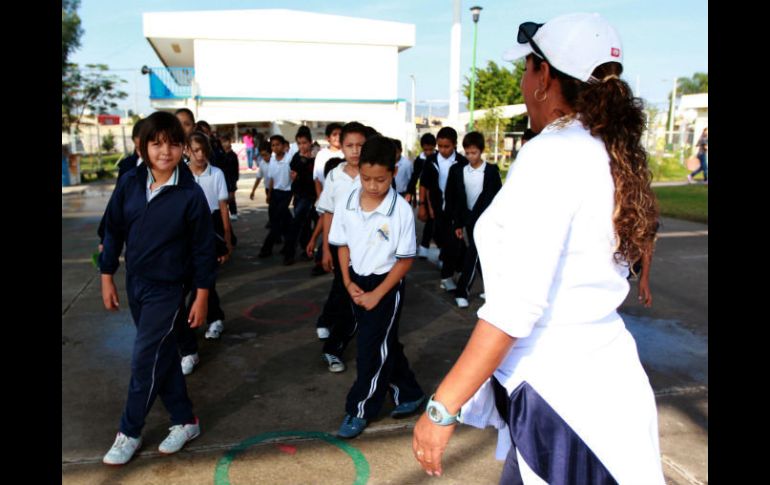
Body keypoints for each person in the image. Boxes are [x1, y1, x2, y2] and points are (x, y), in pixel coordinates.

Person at [412, 13, 664, 484]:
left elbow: (515, 307)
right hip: (600, 383)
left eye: (526, 70)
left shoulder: (553, 155)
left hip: (563, 403)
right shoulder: (606, 148)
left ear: (544, 76)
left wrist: (442, 408)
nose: (524, 83)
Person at [99, 111, 215, 465]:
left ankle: (129, 431)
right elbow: (112, 230)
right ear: (144, 146)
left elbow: (203, 250)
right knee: (162, 357)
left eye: (173, 143)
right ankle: (185, 420)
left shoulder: (190, 195)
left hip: (168, 290)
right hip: (136, 284)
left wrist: (202, 295)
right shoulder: (130, 183)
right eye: (156, 143)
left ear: (183, 148)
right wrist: (107, 277)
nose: (165, 151)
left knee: (144, 359)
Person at [328, 136, 425, 439]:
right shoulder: (348, 201)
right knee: (384, 344)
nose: (372, 185)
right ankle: (409, 393)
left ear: (394, 173)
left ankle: (359, 409)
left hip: (386, 286)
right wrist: (347, 282)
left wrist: (377, 294)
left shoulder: (401, 211)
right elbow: (341, 245)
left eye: (380, 180)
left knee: (370, 350)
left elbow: (405, 261)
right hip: (356, 281)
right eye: (366, 178)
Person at [175, 131, 232, 376]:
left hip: (211, 229)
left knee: (205, 279)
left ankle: (212, 320)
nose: (200, 155)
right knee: (194, 284)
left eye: (203, 151)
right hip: (185, 233)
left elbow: (222, 208)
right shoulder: (179, 173)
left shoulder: (216, 173)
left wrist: (227, 240)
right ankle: (213, 318)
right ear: (187, 149)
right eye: (195, 150)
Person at [315, 122, 366, 362]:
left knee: (348, 291)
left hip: (368, 248)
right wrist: (325, 249)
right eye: (350, 145)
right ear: (341, 148)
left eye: (360, 145)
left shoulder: (374, 174)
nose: (355, 150)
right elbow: (328, 213)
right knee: (345, 289)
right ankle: (333, 342)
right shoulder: (335, 176)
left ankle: (330, 326)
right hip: (340, 246)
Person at [447, 131, 502, 308]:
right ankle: (494, 290)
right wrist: (458, 223)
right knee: (480, 254)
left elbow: (499, 197)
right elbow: (455, 198)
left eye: (474, 152)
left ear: (481, 151)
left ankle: (462, 291)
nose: (471, 156)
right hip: (467, 218)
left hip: (486, 220)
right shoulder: (458, 170)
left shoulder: (492, 171)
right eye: (467, 152)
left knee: (473, 253)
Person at [418, 127, 469, 290]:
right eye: (440, 146)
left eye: (446, 146)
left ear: (454, 144)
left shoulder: (461, 162)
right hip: (437, 209)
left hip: (456, 210)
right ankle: (454, 269)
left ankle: (448, 275)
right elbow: (424, 185)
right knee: (443, 240)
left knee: (453, 241)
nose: (443, 150)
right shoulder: (431, 161)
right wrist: (423, 206)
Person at [258, 135, 294, 262]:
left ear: (284, 146)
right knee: (285, 223)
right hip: (275, 194)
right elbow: (272, 178)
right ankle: (287, 249)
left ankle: (268, 249)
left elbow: (294, 177)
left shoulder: (290, 159)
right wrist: (269, 194)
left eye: (278, 144)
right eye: (273, 145)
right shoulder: (272, 159)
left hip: (286, 193)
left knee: (278, 222)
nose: (275, 147)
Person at [286, 126, 317, 265]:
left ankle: (309, 250)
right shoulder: (296, 158)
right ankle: (290, 253)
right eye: (299, 143)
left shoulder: (317, 157)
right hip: (301, 196)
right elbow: (293, 175)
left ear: (310, 142)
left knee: (313, 225)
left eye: (304, 143)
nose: (302, 146)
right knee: (298, 225)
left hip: (315, 196)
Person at [408, 133, 437, 258]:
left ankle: (426, 246)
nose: (428, 152)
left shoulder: (438, 157)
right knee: (431, 220)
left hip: (437, 193)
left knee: (435, 221)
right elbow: (414, 177)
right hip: (425, 193)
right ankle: (425, 246)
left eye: (431, 149)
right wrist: (411, 193)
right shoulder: (419, 161)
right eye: (426, 150)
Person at [219, 133, 241, 222]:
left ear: (229, 142)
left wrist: (235, 181)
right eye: (222, 142)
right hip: (222, 179)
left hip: (231, 179)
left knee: (231, 197)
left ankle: (234, 213)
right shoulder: (220, 155)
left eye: (225, 142)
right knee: (222, 198)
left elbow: (235, 170)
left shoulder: (233, 155)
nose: (224, 144)